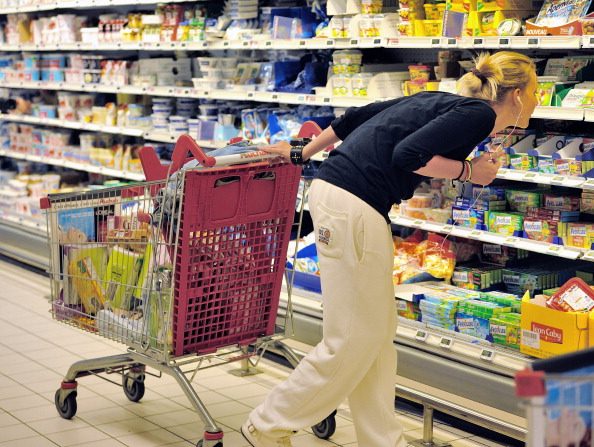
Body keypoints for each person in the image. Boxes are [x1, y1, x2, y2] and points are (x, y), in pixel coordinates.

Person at [241, 51, 538, 447]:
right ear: (517, 95)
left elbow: (361, 114)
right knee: (350, 339)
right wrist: (472, 172)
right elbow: (408, 156)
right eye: (536, 91)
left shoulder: (444, 100)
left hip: (341, 198)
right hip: (354, 205)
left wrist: (304, 152)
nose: (538, 99)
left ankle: (382, 440)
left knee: (377, 334)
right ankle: (266, 425)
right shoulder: (478, 115)